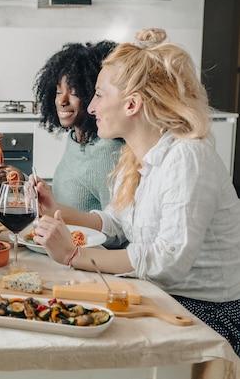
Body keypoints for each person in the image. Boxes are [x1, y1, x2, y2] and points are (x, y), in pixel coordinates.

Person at [32, 28, 240, 356]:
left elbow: (167, 260)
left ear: (132, 104)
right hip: (161, 297)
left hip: (202, 315)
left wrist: (75, 256)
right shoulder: (138, 156)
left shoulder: (188, 158)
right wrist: (55, 208)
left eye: (99, 95)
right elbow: (117, 224)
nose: (91, 107)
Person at [0, 41, 124, 212]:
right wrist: (23, 181)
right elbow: (68, 200)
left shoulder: (109, 153)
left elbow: (117, 229)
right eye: (58, 92)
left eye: (74, 93)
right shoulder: (76, 139)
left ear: (93, 95)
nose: (62, 101)